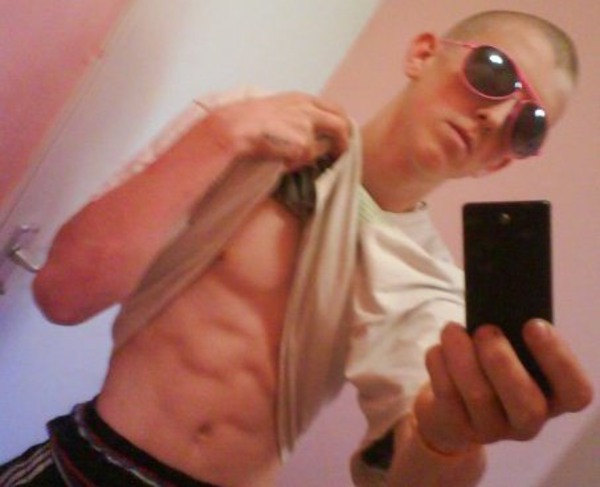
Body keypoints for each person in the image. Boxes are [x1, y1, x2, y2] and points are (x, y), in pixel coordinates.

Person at [0, 9, 593, 487]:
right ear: (421, 55)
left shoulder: (430, 287)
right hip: (86, 459)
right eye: (493, 71)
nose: (496, 115)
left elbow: (410, 462)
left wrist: (448, 441)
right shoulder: (248, 132)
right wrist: (219, 136)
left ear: (501, 163)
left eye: (528, 125)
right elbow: (63, 295)